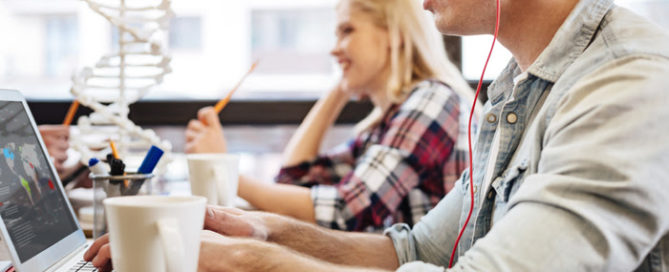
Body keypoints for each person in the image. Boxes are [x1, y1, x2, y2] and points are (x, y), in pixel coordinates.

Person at [85, 0, 669, 271]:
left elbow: (354, 208)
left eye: (346, 30)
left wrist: (242, 259)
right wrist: (263, 229)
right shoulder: (515, 89)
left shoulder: (630, 83)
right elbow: (415, 250)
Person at [185, 0, 477, 231]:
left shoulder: (434, 99)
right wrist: (338, 89)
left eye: (347, 31)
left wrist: (222, 169)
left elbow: (348, 209)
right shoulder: (383, 127)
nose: (333, 48)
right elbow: (292, 179)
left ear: (395, 34)